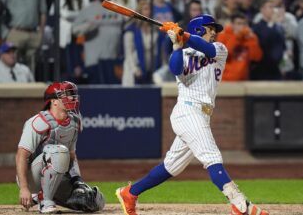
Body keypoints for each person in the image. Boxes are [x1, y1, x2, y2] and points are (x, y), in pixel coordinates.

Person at [115, 14, 269, 215]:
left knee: (172, 166)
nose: (214, 32)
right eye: (210, 28)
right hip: (187, 111)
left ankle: (130, 192)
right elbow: (175, 69)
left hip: (202, 114)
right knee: (211, 155)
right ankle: (240, 204)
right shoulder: (184, 53)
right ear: (198, 29)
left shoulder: (219, 50)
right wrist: (177, 46)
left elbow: (204, 48)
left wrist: (183, 35)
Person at [15, 81, 105, 213]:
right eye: (67, 95)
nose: (72, 98)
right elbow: (21, 156)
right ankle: (45, 202)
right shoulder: (38, 122)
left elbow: (72, 156)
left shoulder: (75, 121)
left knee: (93, 200)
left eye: (73, 94)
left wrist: (77, 181)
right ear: (54, 101)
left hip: (55, 176)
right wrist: (24, 187)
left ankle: (40, 197)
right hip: (31, 178)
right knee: (59, 152)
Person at [72, 0, 123, 84]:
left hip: (112, 59)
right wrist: (89, 26)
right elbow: (75, 30)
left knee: (113, 93)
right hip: (95, 60)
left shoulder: (117, 8)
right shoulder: (88, 9)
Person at [0, 0, 47, 76]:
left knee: (31, 70)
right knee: (11, 68)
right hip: (14, 33)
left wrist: (40, 34)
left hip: (33, 34)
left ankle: (30, 89)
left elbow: (43, 12)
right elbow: (0, 11)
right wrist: (5, 33)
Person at [217, 13, 262, 80]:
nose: (242, 26)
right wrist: (237, 37)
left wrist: (251, 40)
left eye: (244, 24)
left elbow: (256, 58)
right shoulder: (223, 36)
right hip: (226, 79)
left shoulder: (250, 37)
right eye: (239, 24)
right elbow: (224, 55)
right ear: (232, 25)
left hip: (243, 79)